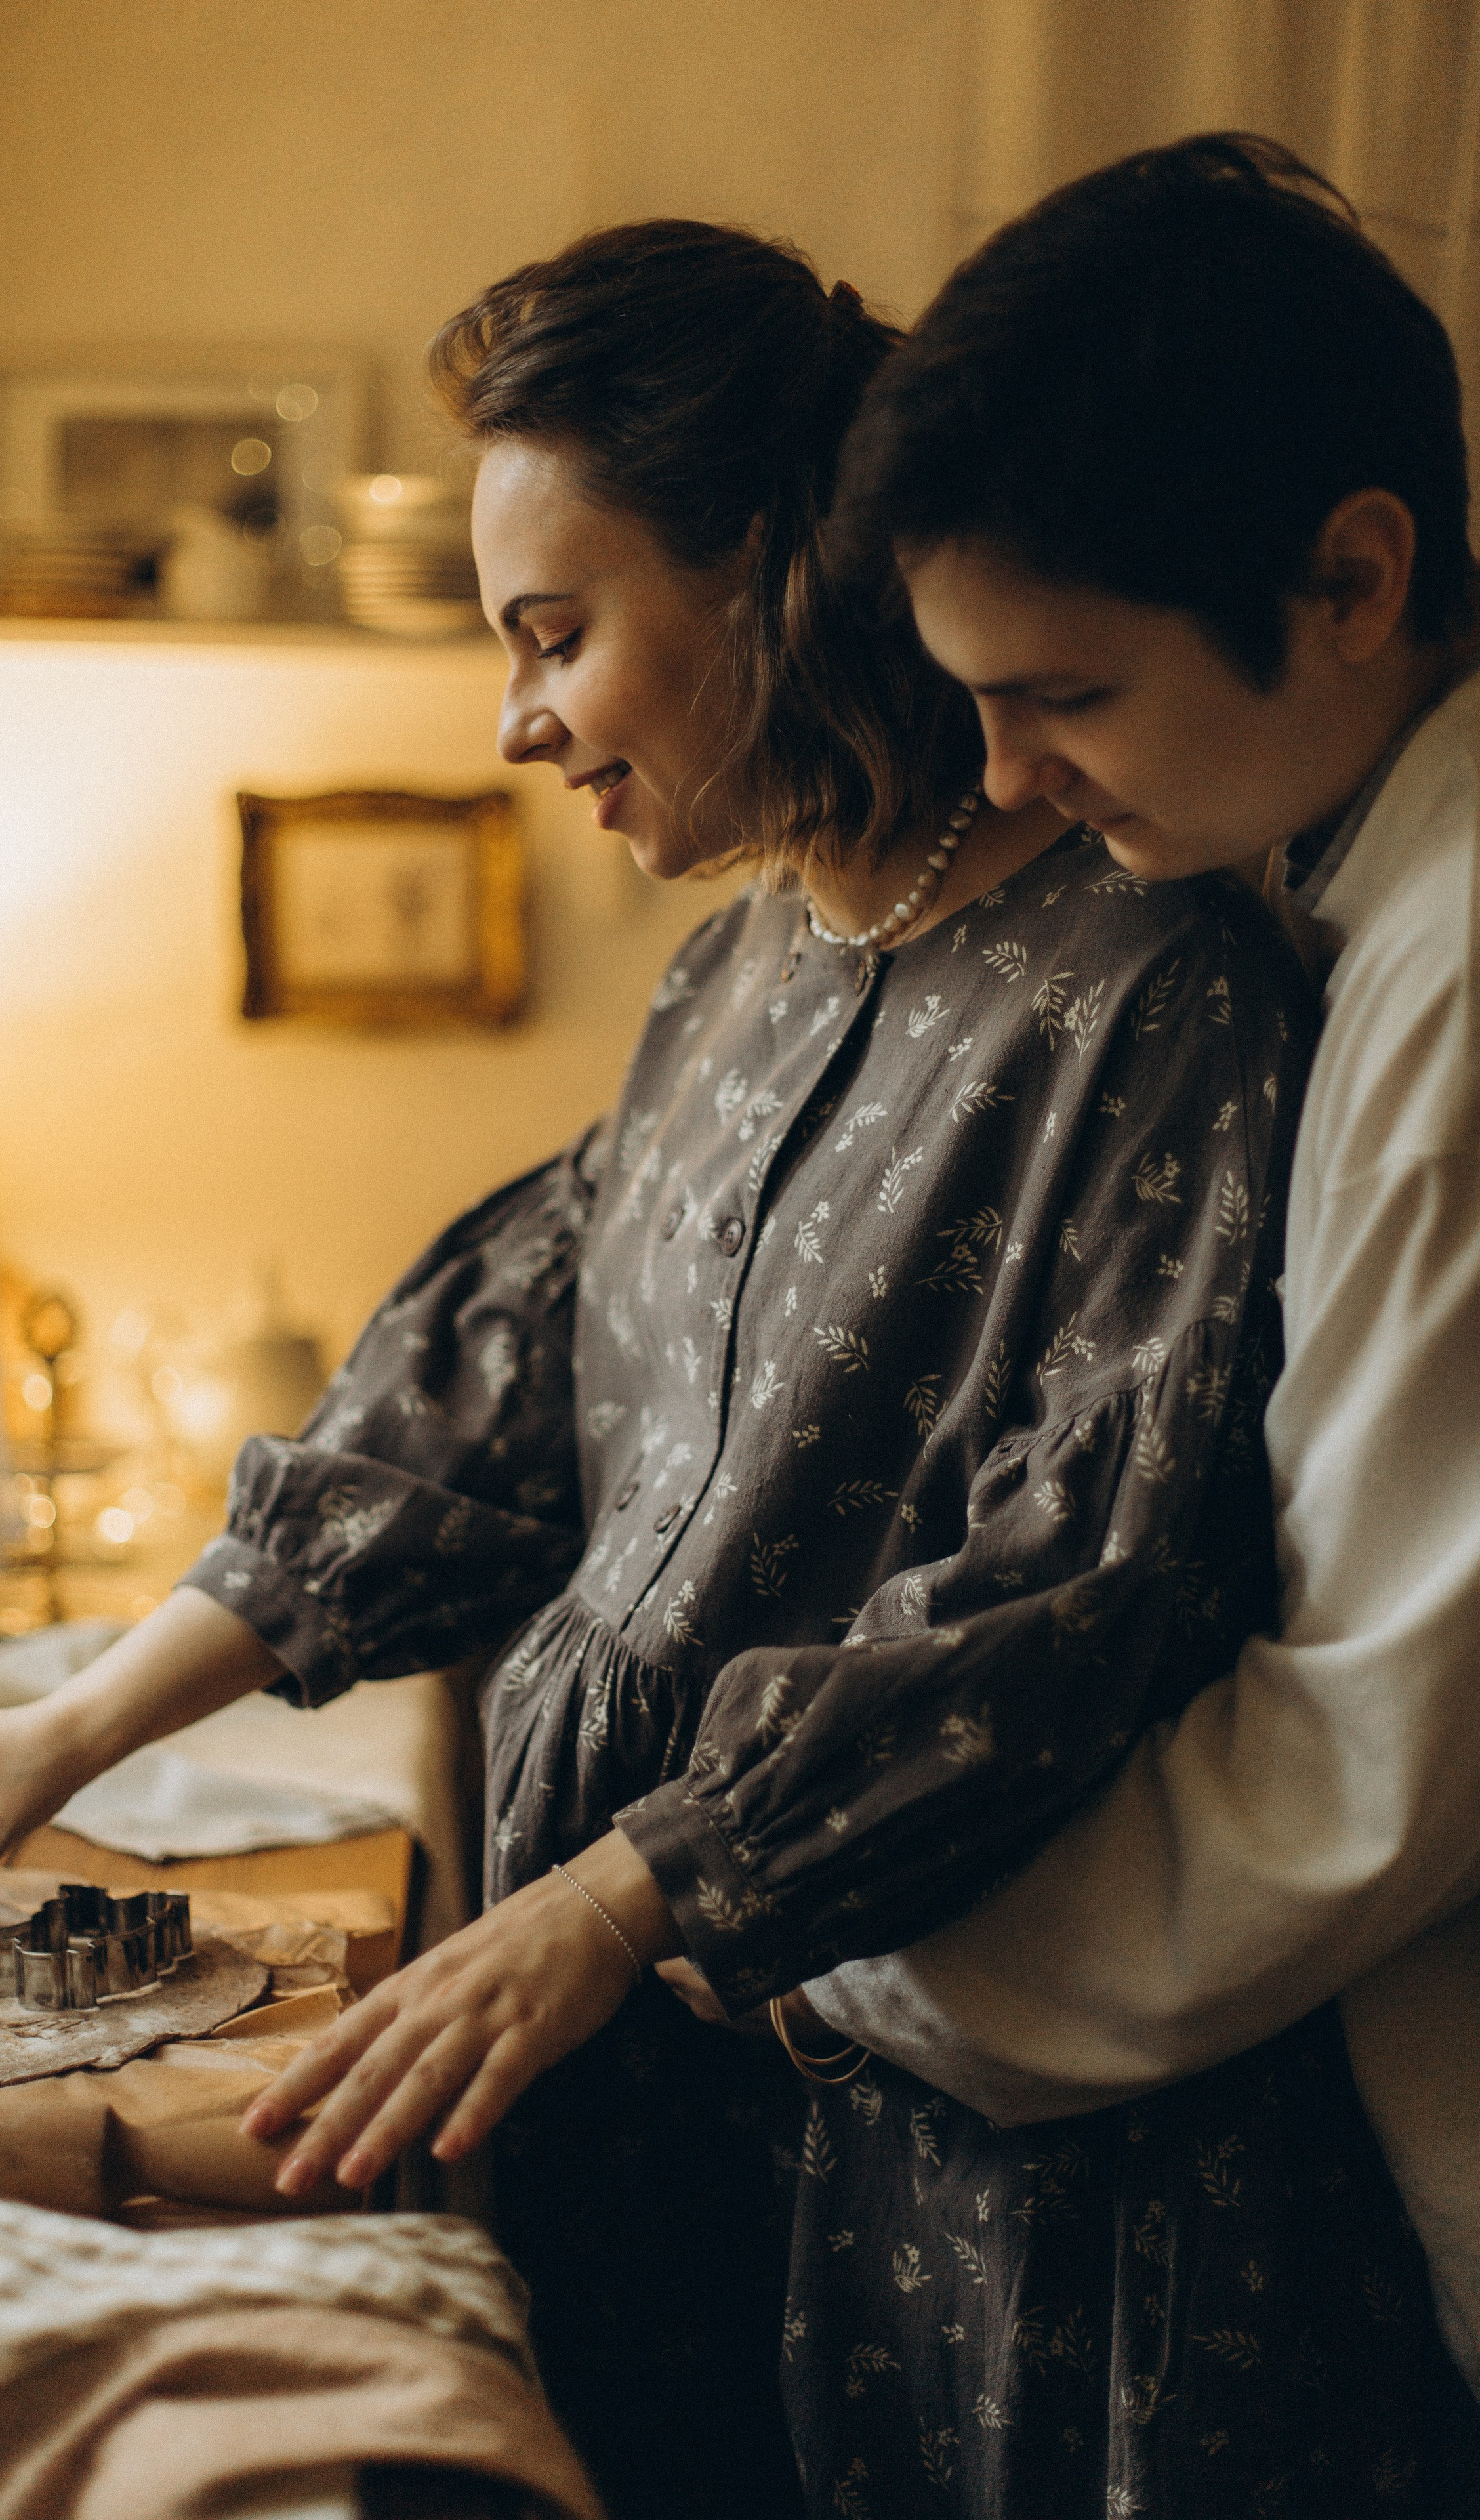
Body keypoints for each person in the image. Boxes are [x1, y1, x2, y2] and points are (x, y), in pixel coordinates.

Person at [0, 222, 1311, 2516]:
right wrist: (75, 1715)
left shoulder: (1153, 987)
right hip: (639, 2082)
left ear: (786, 575)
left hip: (940, 2145)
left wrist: (627, 1894)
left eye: (557, 634)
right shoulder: (742, 971)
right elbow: (484, 1390)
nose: (519, 722)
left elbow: (1077, 1594)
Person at [780, 132, 1480, 2515]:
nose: (1007, 783)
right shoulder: (1357, 890)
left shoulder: (1455, 990)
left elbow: (1375, 1751)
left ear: (1355, 575)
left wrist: (838, 1957)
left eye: (1064, 691)